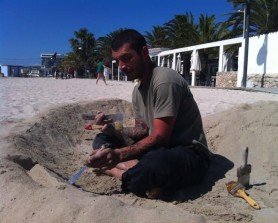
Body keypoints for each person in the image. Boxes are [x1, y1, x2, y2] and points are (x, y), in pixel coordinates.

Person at [88, 29, 211, 199]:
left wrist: (119, 155)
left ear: (144, 52)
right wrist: (112, 130)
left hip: (189, 153)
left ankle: (117, 172)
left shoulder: (164, 80)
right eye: (117, 61)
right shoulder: (138, 90)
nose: (122, 66)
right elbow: (141, 130)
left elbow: (161, 137)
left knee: (154, 164)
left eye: (126, 58)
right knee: (102, 140)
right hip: (160, 149)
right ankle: (134, 168)